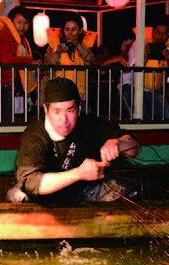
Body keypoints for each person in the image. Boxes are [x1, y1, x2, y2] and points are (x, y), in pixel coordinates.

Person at [8, 77, 141, 204]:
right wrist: (79, 173)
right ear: (46, 110)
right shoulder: (36, 133)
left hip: (81, 190)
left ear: (78, 110)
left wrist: (118, 143)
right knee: (18, 196)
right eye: (57, 111)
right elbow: (31, 183)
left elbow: (134, 149)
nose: (64, 120)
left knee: (130, 190)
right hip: (42, 196)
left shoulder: (89, 124)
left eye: (70, 110)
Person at [124, 22, 169, 120]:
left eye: (165, 33)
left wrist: (168, 59)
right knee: (139, 114)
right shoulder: (138, 45)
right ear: (152, 33)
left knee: (167, 114)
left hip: (153, 91)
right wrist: (143, 58)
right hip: (132, 87)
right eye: (158, 32)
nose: (161, 36)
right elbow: (131, 68)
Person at [43, 16, 97, 110]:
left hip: (79, 94)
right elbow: (47, 69)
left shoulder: (85, 46)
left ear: (80, 31)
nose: (70, 33)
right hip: (59, 94)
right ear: (63, 31)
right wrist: (57, 52)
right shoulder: (53, 46)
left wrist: (77, 44)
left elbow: (90, 60)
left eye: (74, 29)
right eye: (67, 29)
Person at [0, 7, 36, 121]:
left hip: (12, 82)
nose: (23, 26)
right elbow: (5, 59)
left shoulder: (21, 39)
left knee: (12, 117)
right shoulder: (5, 35)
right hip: (4, 81)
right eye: (19, 22)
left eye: (26, 23)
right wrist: (30, 61)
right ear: (11, 22)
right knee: (5, 118)